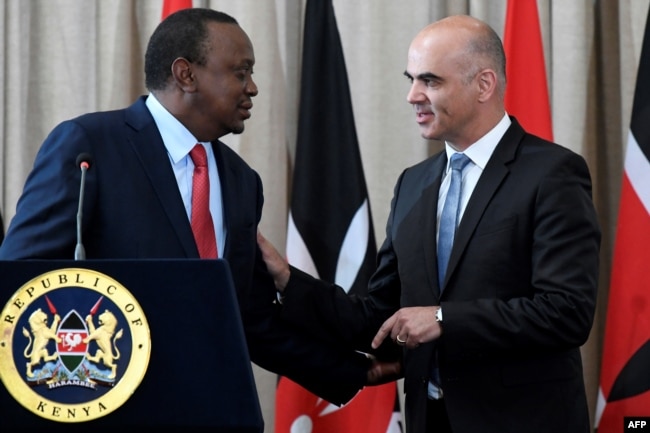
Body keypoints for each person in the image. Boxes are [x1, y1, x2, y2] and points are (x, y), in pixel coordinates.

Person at [0, 7, 390, 419]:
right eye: (241, 72)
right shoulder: (90, 147)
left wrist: (353, 370)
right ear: (186, 74)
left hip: (216, 410)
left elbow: (249, 319)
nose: (253, 87)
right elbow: (23, 279)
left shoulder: (242, 181)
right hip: (113, 412)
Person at [258, 14, 601, 433]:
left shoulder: (552, 174)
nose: (412, 95)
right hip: (429, 420)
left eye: (430, 81)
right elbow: (378, 316)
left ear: (484, 85)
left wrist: (442, 319)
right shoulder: (414, 184)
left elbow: (566, 312)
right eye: (411, 79)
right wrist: (288, 281)